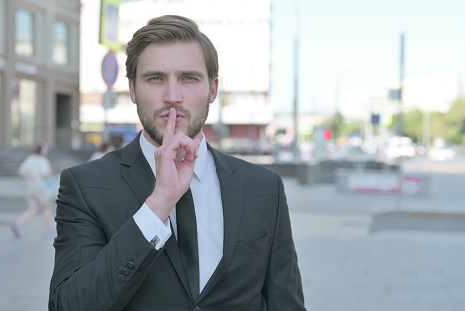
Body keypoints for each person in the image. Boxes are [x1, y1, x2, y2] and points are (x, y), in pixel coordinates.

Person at [49, 15, 306, 310]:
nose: (172, 96)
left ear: (213, 89)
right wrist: (158, 204)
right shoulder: (85, 186)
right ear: (132, 89)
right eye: (155, 78)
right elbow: (68, 305)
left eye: (189, 78)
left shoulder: (264, 187)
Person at [10, 143, 57, 238]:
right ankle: (47, 230)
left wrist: (30, 176)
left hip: (30, 187)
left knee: (32, 210)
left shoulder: (30, 158)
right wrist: (50, 172)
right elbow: (44, 175)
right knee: (47, 208)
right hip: (41, 188)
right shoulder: (43, 161)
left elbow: (22, 171)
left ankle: (17, 224)